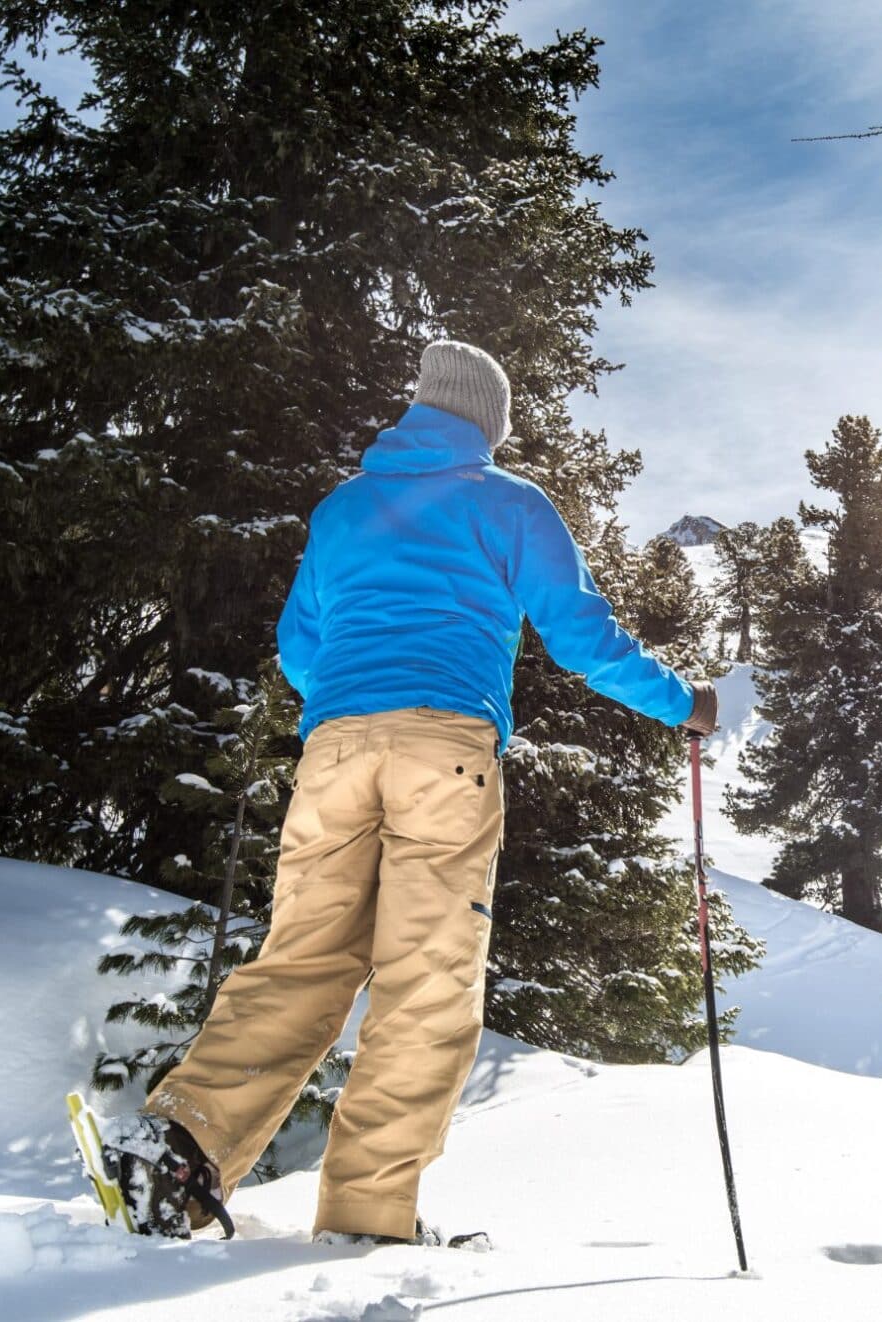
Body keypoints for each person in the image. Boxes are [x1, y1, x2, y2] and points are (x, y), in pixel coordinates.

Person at [98, 340, 719, 1244]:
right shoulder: (507, 503)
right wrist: (685, 705)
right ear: (488, 423)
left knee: (301, 958)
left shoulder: (344, 509)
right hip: (447, 750)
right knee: (426, 982)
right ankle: (365, 1216)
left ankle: (183, 1148)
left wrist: (360, 704)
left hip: (335, 751)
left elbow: (300, 651)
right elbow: (585, 643)